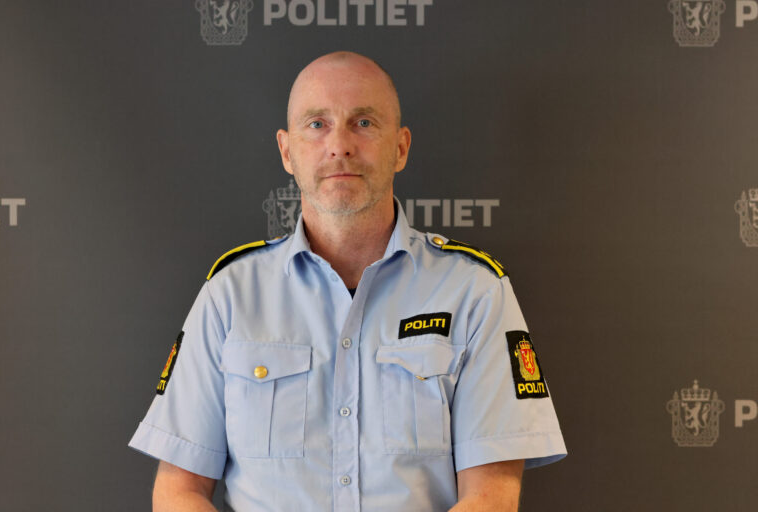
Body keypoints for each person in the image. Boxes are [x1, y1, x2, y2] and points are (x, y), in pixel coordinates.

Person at [129, 51, 566, 512]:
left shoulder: (474, 292)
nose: (339, 145)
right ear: (287, 151)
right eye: (317, 124)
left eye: (363, 123)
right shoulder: (231, 295)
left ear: (400, 148)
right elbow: (178, 492)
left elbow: (491, 497)